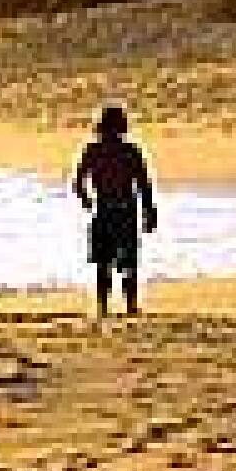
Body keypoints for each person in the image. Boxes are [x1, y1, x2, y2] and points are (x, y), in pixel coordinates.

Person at [73, 104, 157, 318]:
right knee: (127, 261)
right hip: (124, 209)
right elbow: (143, 183)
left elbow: (79, 180)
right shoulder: (129, 151)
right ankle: (128, 305)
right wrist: (149, 211)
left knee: (104, 261)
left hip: (104, 208)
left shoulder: (94, 150)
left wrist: (85, 198)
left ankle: (104, 306)